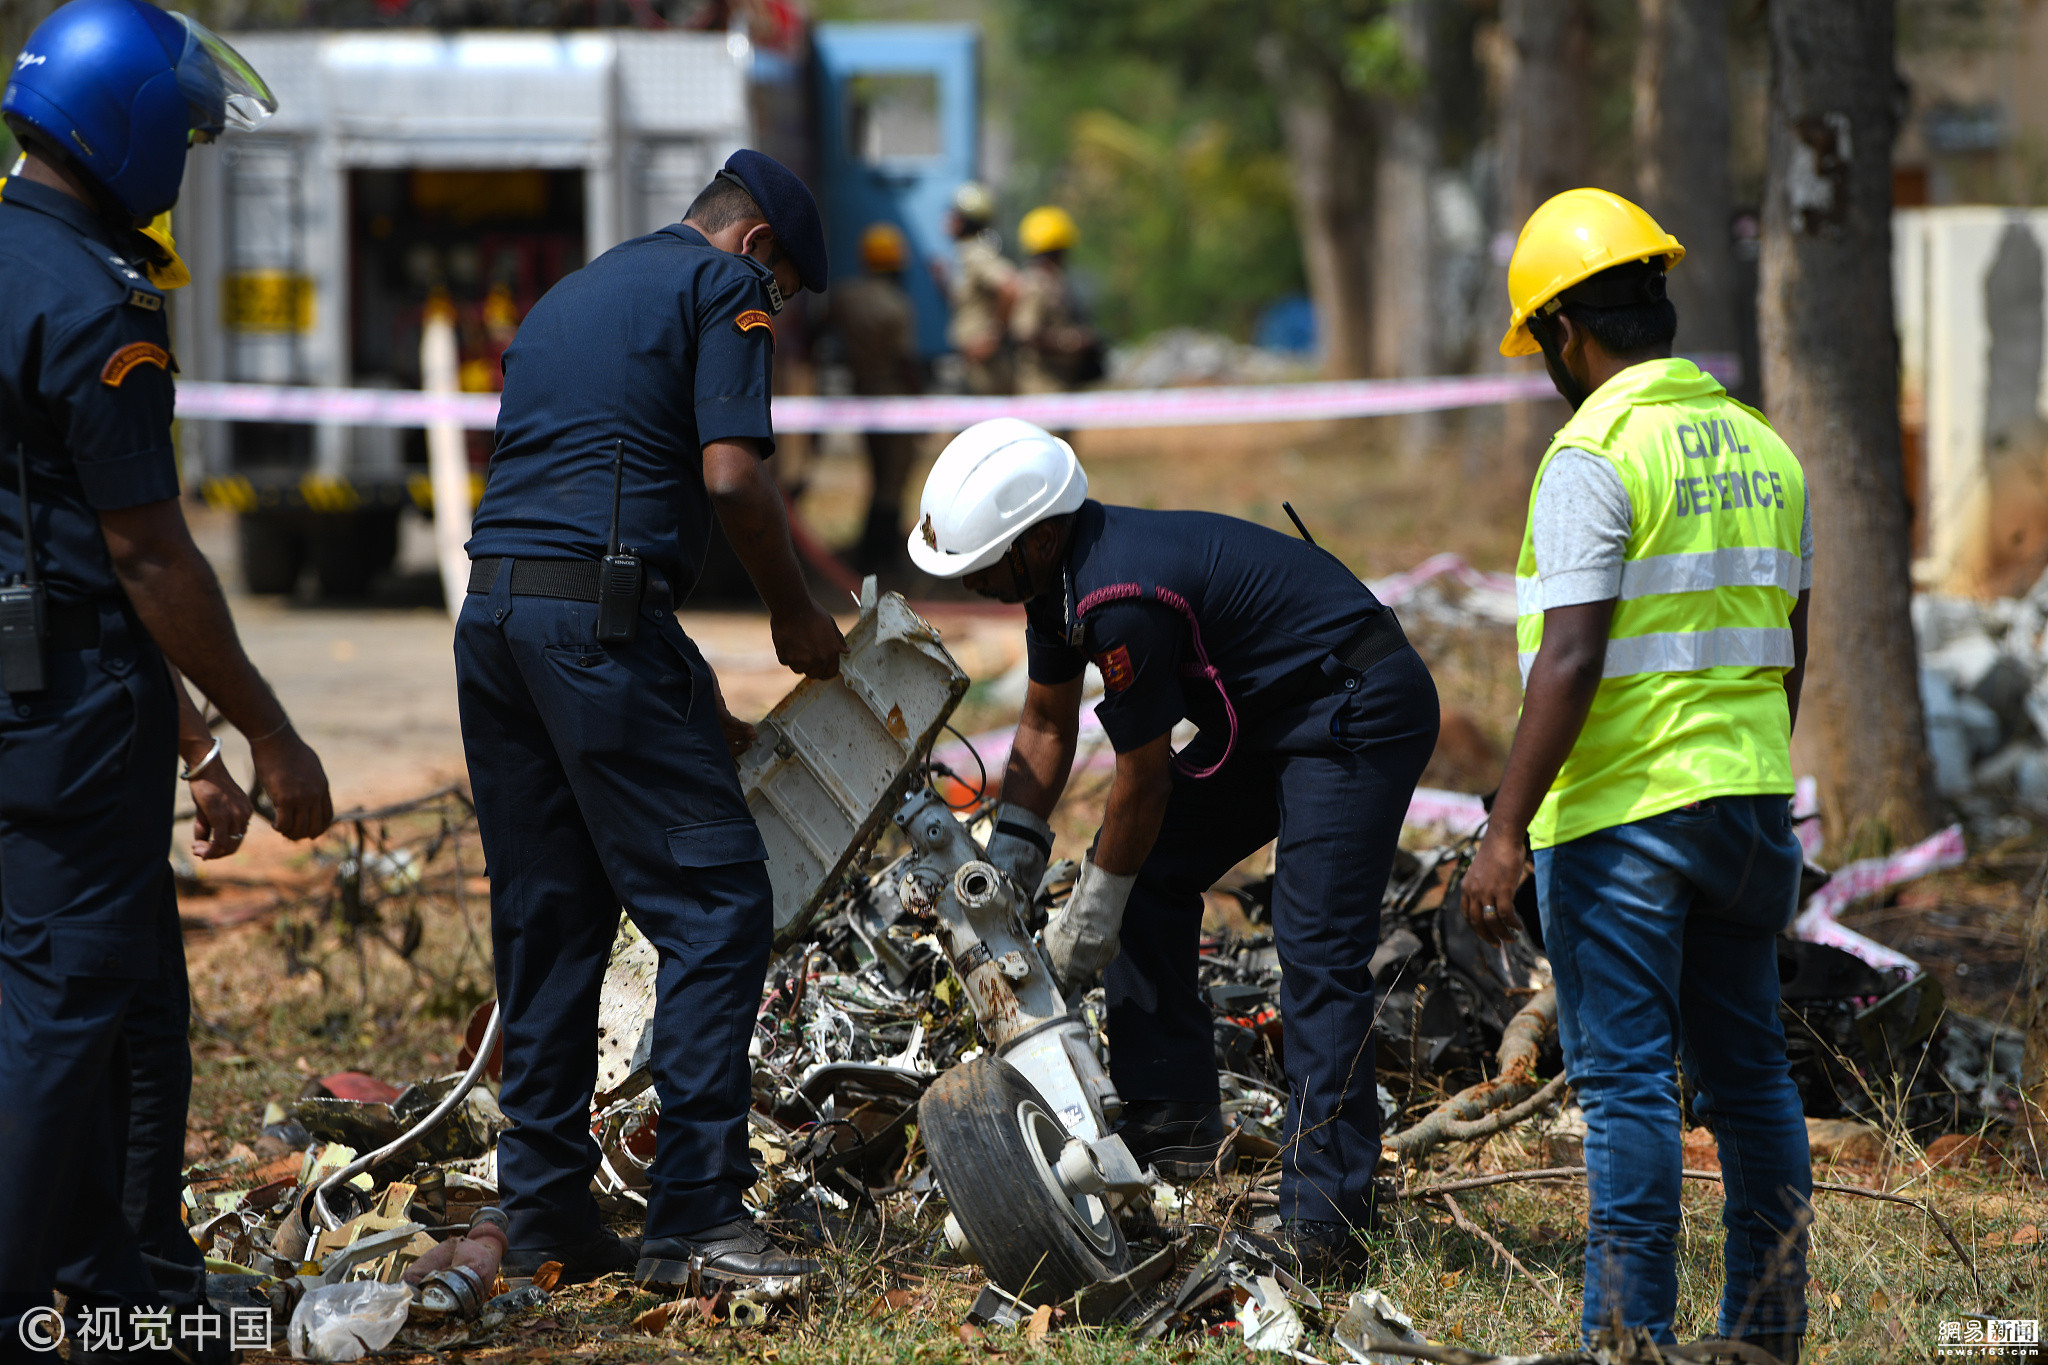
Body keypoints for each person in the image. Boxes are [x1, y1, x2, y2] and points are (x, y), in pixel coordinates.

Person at [907, 419, 1440, 1281]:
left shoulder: (1120, 600)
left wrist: (1091, 918)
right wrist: (1009, 859)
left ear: (1036, 539)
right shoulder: (1061, 579)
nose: (972, 580)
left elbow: (1143, 780)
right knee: (1154, 869)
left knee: (1317, 950)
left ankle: (1328, 1221)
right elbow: (1045, 723)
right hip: (1274, 712)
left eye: (982, 562)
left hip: (1352, 707)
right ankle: (1175, 1120)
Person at [0, 2, 333, 1356]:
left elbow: (57, 528)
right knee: (67, 1009)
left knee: (118, 987)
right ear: (126, 129)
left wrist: (190, 746)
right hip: (63, 713)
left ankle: (122, 1273)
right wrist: (269, 734)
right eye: (183, 137)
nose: (186, 164)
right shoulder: (96, 306)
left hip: (44, 692)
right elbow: (146, 559)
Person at [457, 148, 846, 1294]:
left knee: (549, 916)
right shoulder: (723, 290)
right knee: (719, 904)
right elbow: (730, 480)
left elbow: (578, 507)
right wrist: (794, 614)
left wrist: (682, 699)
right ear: (756, 247)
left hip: (497, 626)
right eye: (778, 291)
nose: (769, 310)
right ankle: (695, 1220)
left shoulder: (575, 291)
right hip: (597, 633)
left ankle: (539, 1212)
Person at [1456, 188, 1812, 1365]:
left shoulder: (1594, 452)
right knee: (1751, 1076)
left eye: (1541, 344)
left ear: (1566, 329)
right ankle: (1763, 1335)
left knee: (1623, 1089)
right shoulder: (1763, 446)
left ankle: (1624, 1340)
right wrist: (1749, 776)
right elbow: (1785, 647)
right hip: (1748, 803)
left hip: (1620, 822)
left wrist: (1504, 827)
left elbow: (1568, 654)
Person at [823, 222, 923, 573]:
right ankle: (881, 557)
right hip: (894, 400)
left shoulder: (845, 296)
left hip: (860, 397)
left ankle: (869, 552)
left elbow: (817, 332)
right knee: (892, 482)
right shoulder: (897, 305)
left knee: (876, 475)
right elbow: (905, 363)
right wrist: (921, 401)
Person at [1011, 206, 1102, 396]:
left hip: (1061, 383)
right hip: (1042, 387)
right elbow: (1026, 333)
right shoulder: (1036, 284)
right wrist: (1070, 342)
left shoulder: (1054, 281)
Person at [942, 182, 1018, 396]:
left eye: (953, 214)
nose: (947, 219)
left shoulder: (976, 254)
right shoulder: (965, 254)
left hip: (986, 367)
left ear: (963, 221)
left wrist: (993, 336)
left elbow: (1010, 286)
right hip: (972, 362)